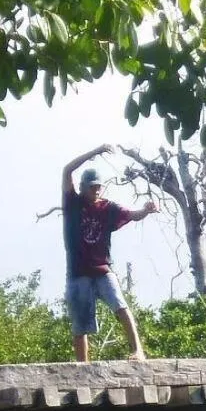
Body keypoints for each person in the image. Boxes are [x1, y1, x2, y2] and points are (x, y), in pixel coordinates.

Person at [62, 144, 157, 361]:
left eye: (99, 187)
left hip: (102, 269)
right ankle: (83, 366)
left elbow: (132, 214)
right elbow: (67, 170)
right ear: (83, 187)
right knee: (80, 324)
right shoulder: (72, 203)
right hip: (78, 273)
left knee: (120, 305)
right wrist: (94, 152)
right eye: (93, 187)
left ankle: (137, 350)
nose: (97, 190)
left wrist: (146, 210)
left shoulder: (108, 208)